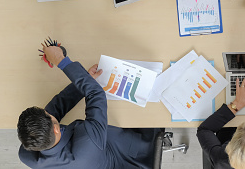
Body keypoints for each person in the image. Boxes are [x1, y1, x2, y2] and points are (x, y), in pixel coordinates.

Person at [17, 44, 160, 168]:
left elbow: (55, 110)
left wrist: (85, 79)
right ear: (55, 129)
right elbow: (96, 94)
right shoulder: (87, 141)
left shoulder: (27, 155)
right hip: (131, 157)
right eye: (48, 114)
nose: (49, 111)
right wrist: (62, 61)